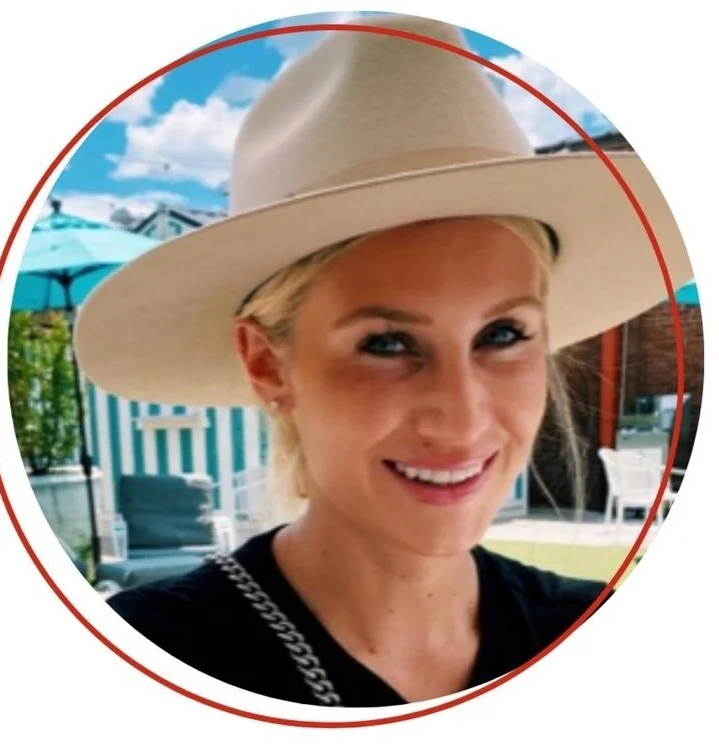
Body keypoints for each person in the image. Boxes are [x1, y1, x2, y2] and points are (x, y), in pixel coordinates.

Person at [74, 14, 692, 707]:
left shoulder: (598, 636)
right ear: (268, 364)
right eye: (387, 343)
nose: (462, 418)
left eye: (503, 334)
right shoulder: (152, 661)